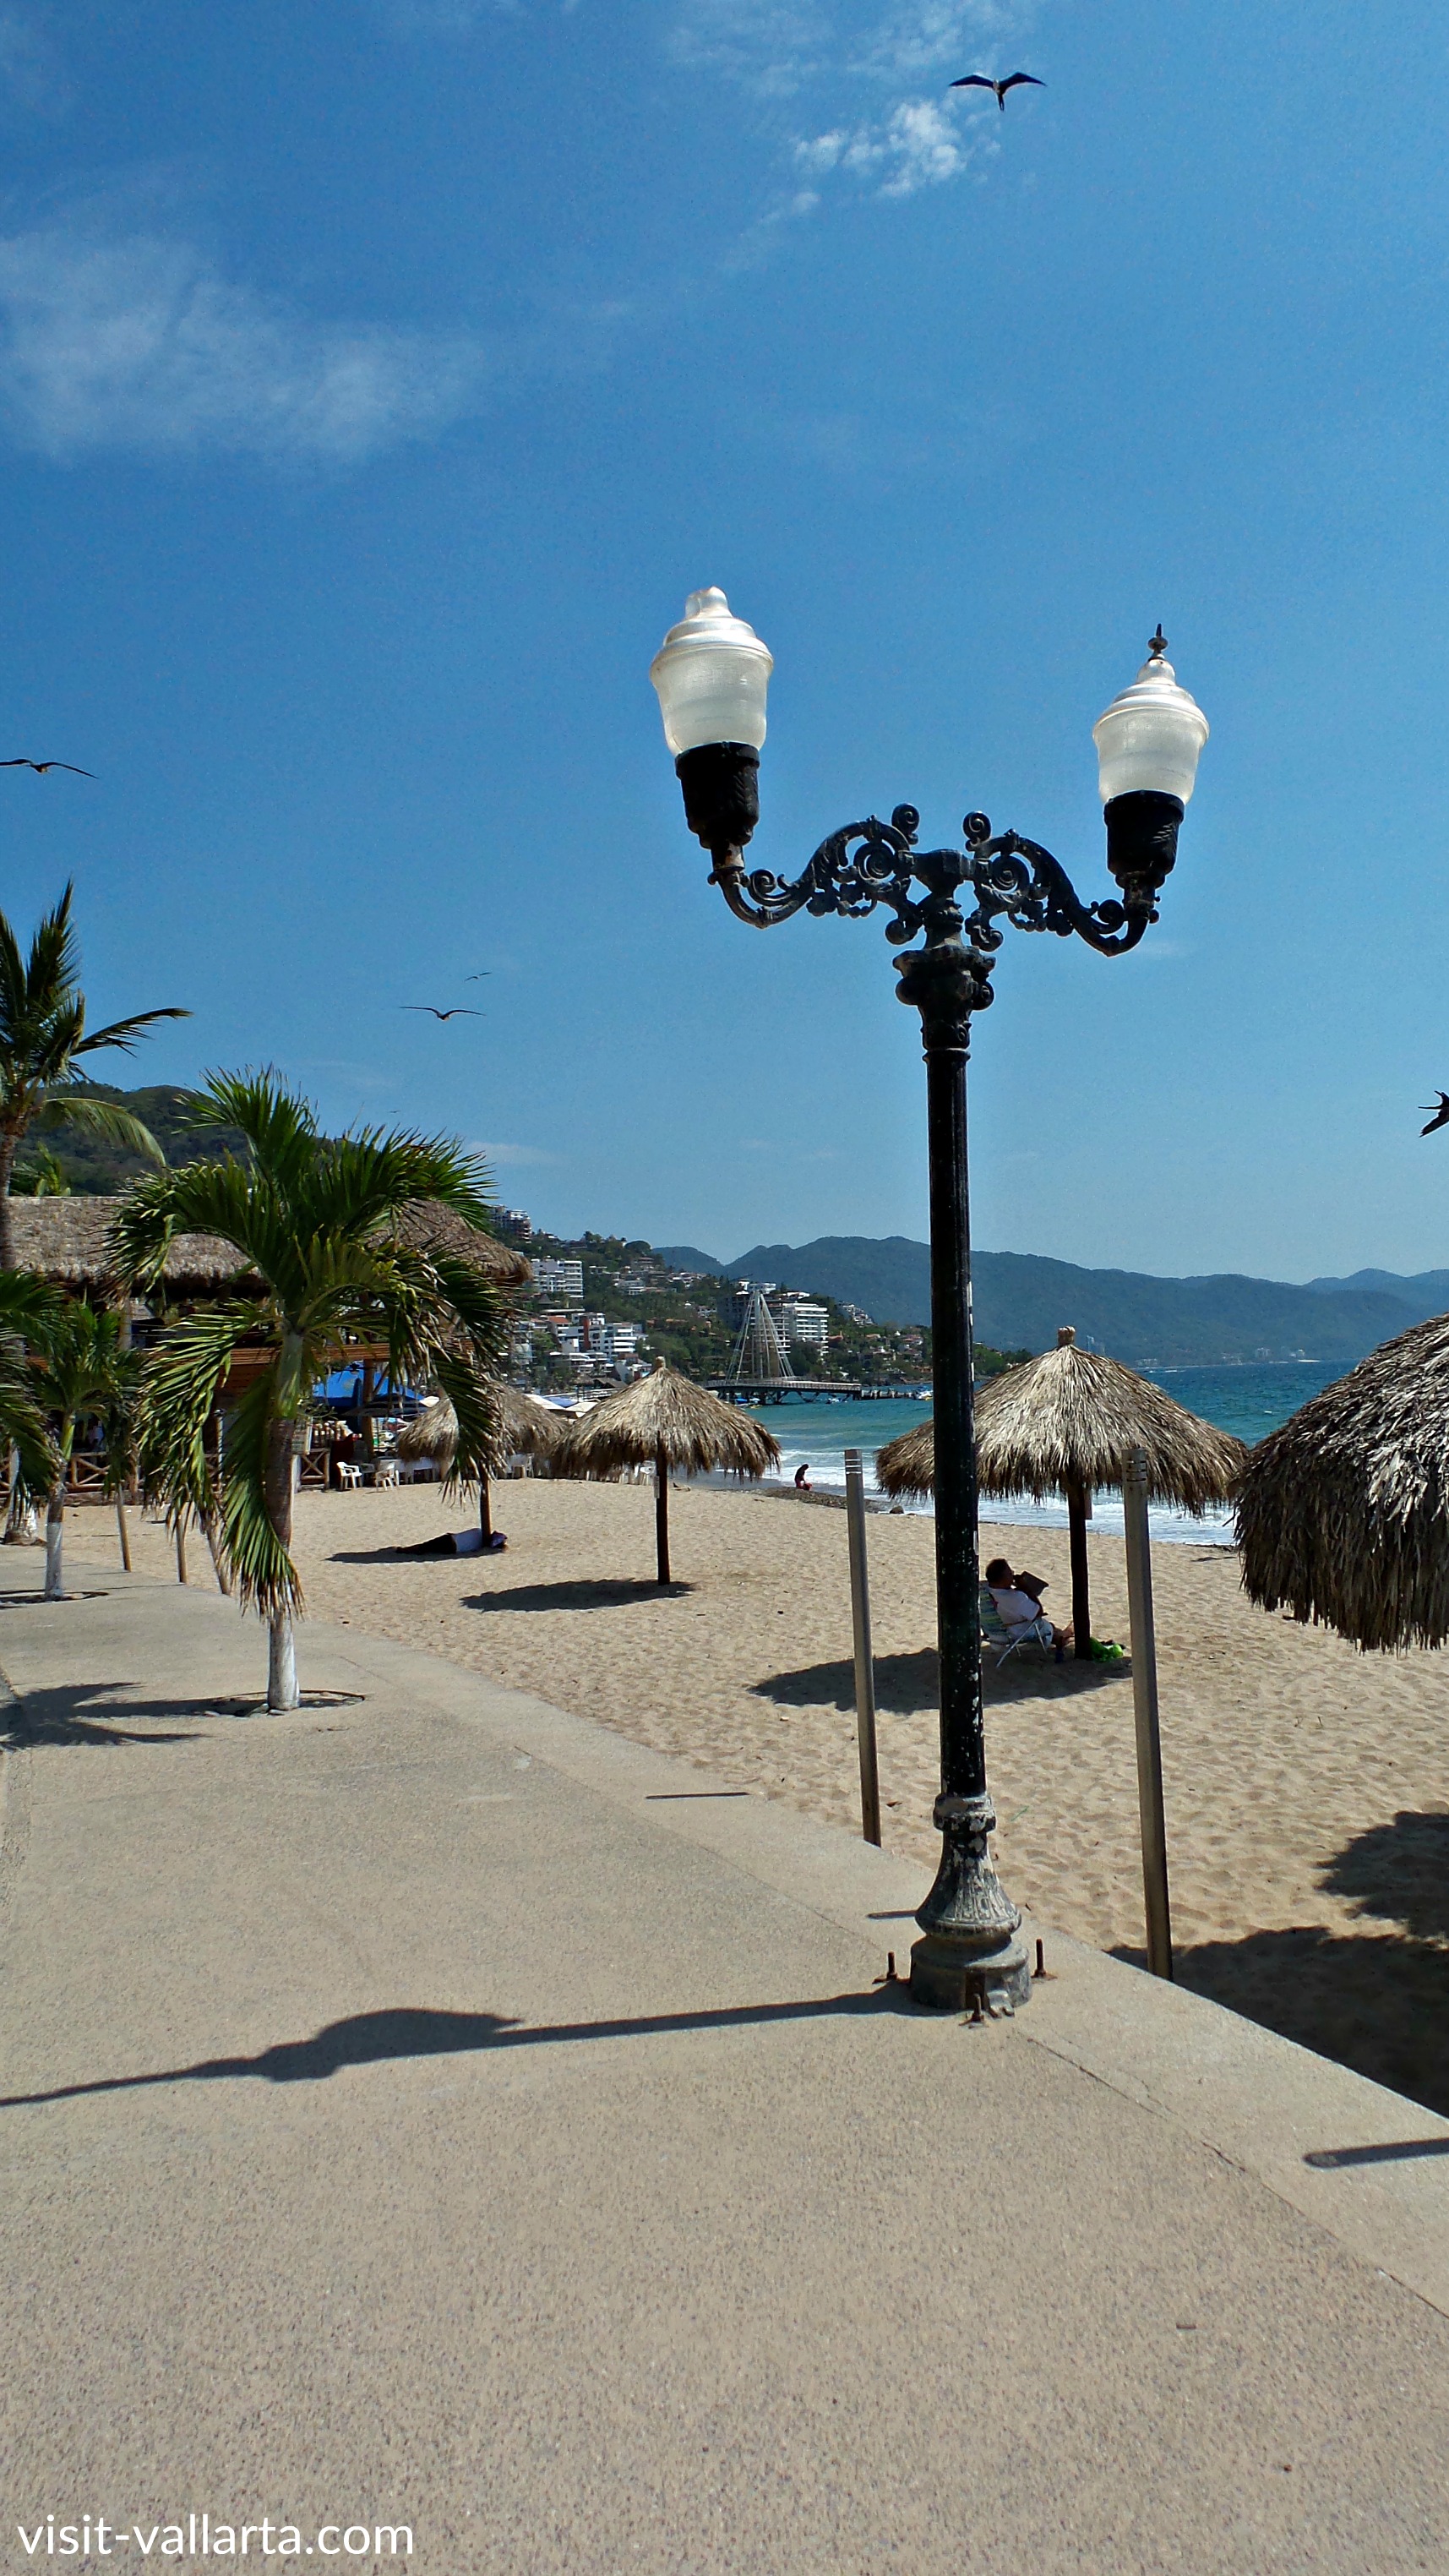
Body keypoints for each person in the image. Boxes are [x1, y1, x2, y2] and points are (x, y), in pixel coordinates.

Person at [984, 1557, 1070, 1656]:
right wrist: (1025, 1588)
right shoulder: (1016, 1597)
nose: (1012, 1574)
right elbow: (1038, 1613)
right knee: (1049, 1628)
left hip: (995, 1633)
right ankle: (1066, 1634)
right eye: (1009, 1573)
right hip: (1016, 1632)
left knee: (1051, 1629)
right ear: (1002, 1579)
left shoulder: (983, 1591)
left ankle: (1062, 1634)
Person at [395, 1526, 507, 1558]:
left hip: (451, 1540)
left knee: (425, 1546)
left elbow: (462, 1534)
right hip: (453, 1550)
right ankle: (408, 1550)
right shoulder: (480, 1546)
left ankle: (403, 1550)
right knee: (428, 1547)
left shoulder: (478, 1531)